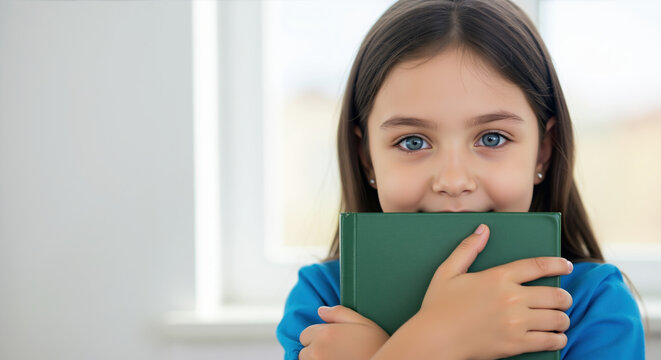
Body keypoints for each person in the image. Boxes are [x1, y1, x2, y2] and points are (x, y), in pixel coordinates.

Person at [276, 0, 645, 359]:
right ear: (367, 159)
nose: (453, 181)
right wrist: (433, 341)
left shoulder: (594, 306)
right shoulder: (322, 301)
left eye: (492, 138)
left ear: (543, 152)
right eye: (413, 142)